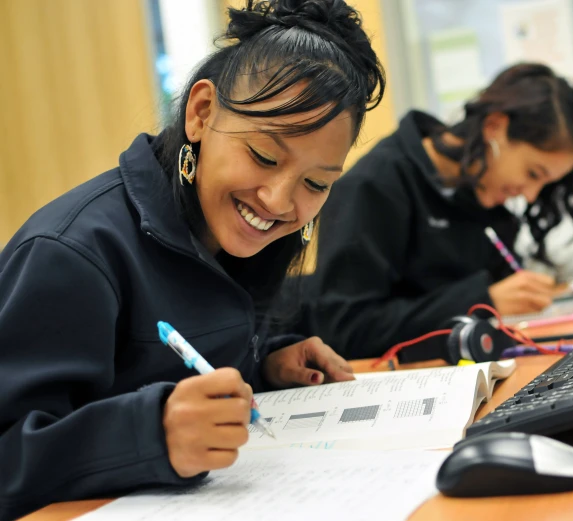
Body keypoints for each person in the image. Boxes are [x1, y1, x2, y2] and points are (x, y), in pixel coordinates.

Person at [0, 0, 384, 518]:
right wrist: (151, 434)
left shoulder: (225, 232)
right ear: (202, 114)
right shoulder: (72, 253)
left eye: (316, 183)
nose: (277, 201)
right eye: (264, 157)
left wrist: (267, 360)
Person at [297, 63, 573, 362]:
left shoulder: (479, 188)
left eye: (545, 185)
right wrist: (483, 300)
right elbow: (346, 329)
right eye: (533, 173)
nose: (530, 195)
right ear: (494, 127)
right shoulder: (373, 186)